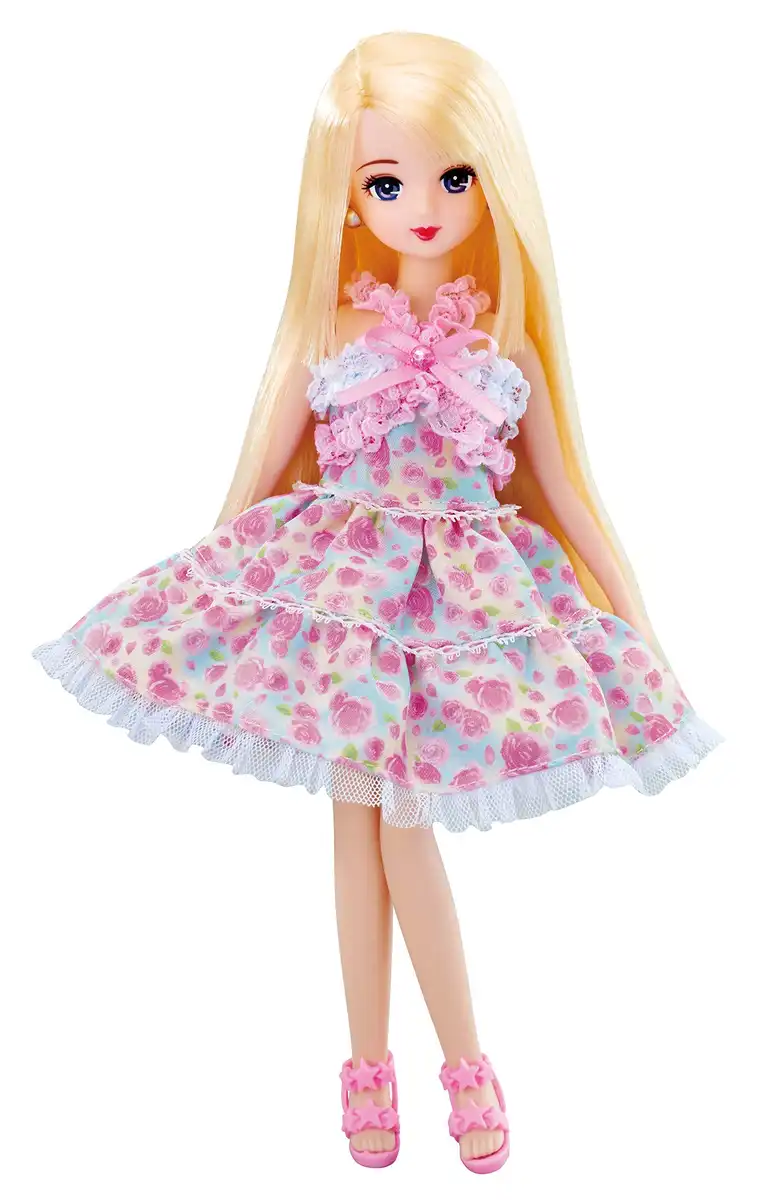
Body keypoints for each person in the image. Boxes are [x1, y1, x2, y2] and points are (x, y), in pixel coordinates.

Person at [31, 31, 723, 1173]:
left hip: (452, 612)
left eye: (453, 177)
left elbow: (566, 496)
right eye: (387, 182)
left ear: (493, 184)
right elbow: (260, 475)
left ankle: (450, 1060)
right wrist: (206, 594)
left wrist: (636, 622)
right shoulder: (327, 330)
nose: (423, 206)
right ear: (347, 197)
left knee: (397, 824)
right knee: (359, 827)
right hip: (344, 597)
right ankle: (384, 1065)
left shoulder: (507, 345)